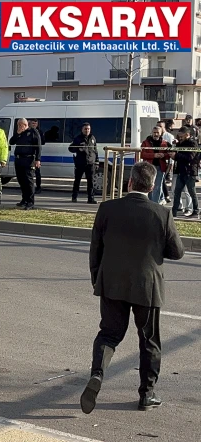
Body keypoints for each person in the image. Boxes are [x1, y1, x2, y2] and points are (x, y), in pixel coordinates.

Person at [81, 161, 184, 415]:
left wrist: (98, 280)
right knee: (149, 340)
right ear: (151, 186)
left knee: (109, 334)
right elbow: (177, 252)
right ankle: (146, 395)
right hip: (147, 286)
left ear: (129, 183)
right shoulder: (161, 214)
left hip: (112, 283)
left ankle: (97, 373)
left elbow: (96, 250)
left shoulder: (107, 209)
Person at [9, 118, 41, 210]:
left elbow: (38, 146)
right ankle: (24, 200)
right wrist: (17, 133)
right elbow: (11, 142)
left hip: (28, 159)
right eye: (18, 125)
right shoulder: (19, 133)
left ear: (25, 124)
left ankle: (30, 201)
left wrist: (38, 159)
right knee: (21, 181)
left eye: (20, 125)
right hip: (18, 159)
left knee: (28, 181)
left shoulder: (32, 132)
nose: (18, 127)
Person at [169, 126, 200, 218]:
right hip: (181, 171)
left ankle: (195, 210)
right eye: (179, 136)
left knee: (191, 192)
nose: (180, 137)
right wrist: (174, 146)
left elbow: (190, 158)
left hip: (190, 172)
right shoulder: (181, 143)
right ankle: (174, 211)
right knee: (177, 192)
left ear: (187, 134)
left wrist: (177, 155)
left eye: (181, 136)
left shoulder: (193, 144)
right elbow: (176, 152)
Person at [68, 122, 98, 204]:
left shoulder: (93, 138)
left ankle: (90, 199)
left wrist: (97, 162)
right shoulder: (78, 138)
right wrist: (78, 148)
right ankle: (74, 197)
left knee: (91, 182)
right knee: (77, 181)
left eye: (88, 129)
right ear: (82, 130)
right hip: (80, 163)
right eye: (85, 129)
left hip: (90, 163)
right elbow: (70, 148)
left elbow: (95, 151)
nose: (87, 130)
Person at [140, 126, 170, 203]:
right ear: (151, 133)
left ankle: (155, 204)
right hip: (149, 167)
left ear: (161, 133)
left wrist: (164, 155)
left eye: (157, 133)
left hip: (160, 167)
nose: (156, 134)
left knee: (158, 186)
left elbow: (168, 154)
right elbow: (142, 154)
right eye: (154, 132)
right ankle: (149, 202)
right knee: (149, 185)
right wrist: (154, 155)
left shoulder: (164, 143)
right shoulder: (146, 142)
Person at [29, 118, 44, 194]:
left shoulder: (39, 132)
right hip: (29, 154)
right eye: (32, 123)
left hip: (36, 155)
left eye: (35, 124)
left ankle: (38, 187)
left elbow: (42, 142)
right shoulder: (28, 131)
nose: (34, 125)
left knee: (37, 172)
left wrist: (38, 158)